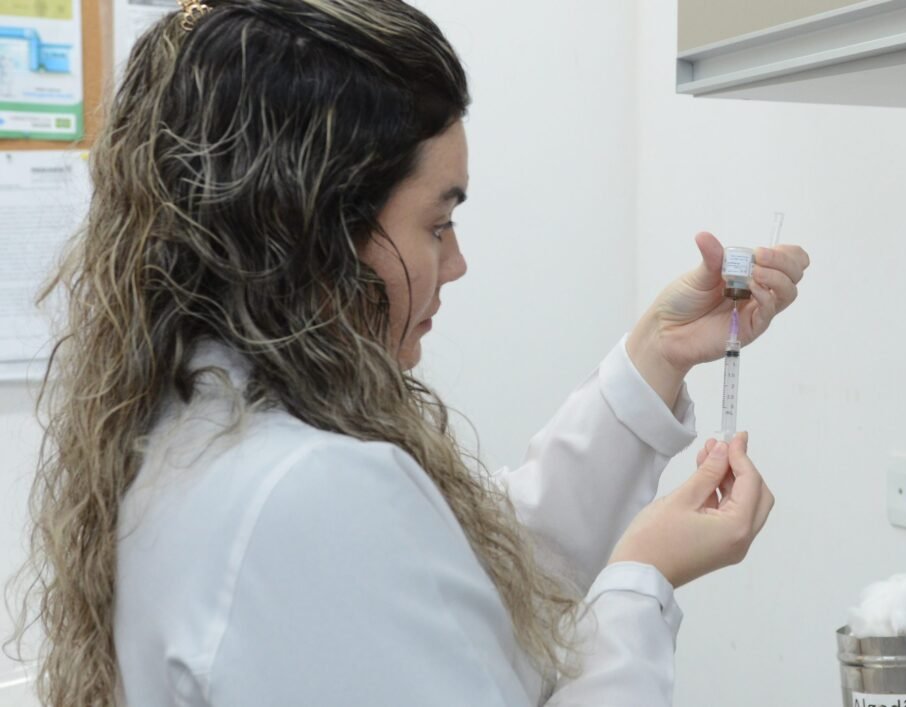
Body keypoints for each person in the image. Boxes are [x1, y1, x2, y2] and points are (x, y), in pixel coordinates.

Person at [6, 0, 809, 705]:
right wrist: (641, 581)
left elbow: (475, 575)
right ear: (315, 228)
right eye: (437, 223)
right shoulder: (299, 492)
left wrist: (657, 353)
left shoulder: (210, 433)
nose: (456, 263)